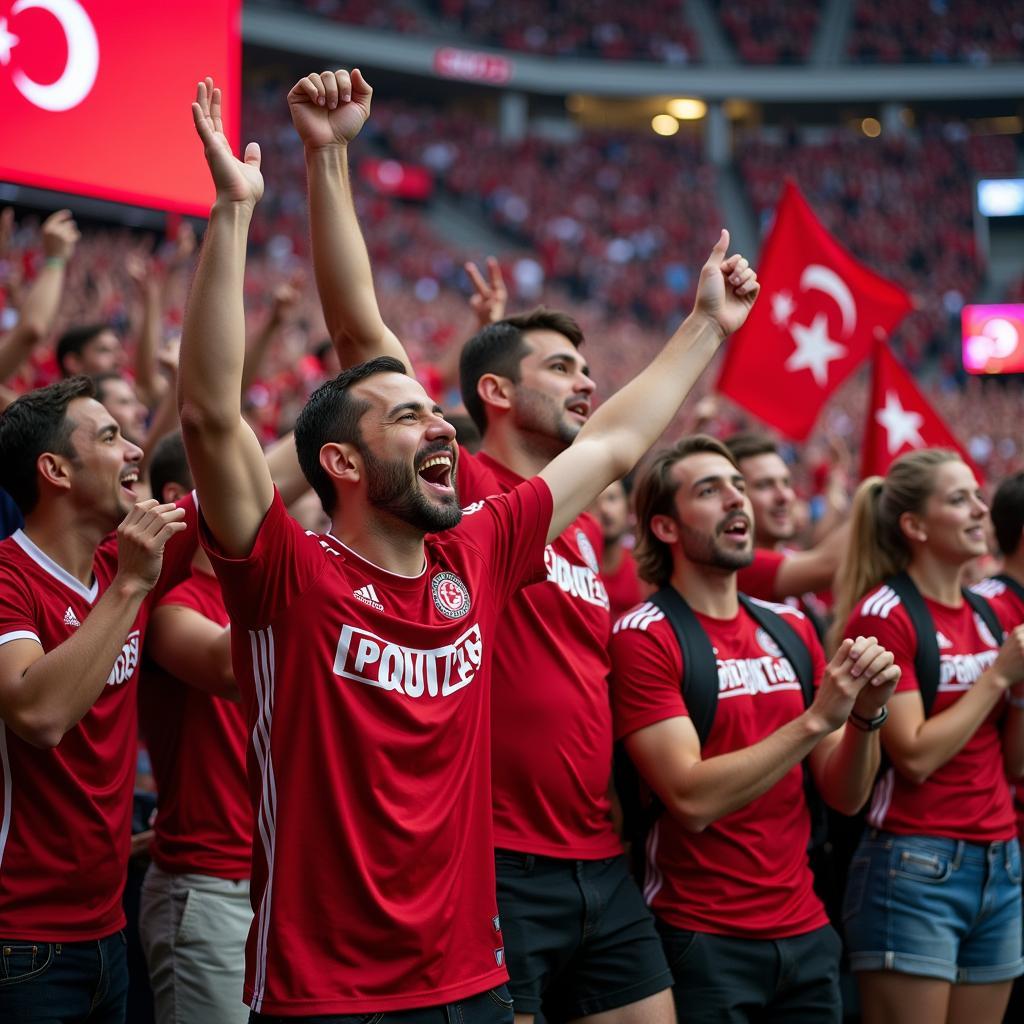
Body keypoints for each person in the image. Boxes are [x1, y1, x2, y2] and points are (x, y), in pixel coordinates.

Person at [180, 74, 758, 1022]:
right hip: (326, 991)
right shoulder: (289, 573)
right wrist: (237, 214)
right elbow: (210, 412)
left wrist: (704, 329)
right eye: (410, 417)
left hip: (474, 977)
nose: (440, 428)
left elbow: (614, 446)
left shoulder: (479, 553)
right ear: (341, 461)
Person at [609, 434, 899, 1023]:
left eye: (738, 486)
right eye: (710, 491)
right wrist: (818, 718)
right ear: (665, 528)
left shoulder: (792, 626)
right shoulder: (644, 635)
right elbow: (690, 798)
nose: (736, 501)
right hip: (701, 937)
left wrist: (866, 716)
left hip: (808, 930)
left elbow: (845, 795)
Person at [0, 376, 195, 1024]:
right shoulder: (9, 578)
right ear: (54, 469)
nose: (135, 449)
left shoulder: (123, 559)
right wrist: (131, 587)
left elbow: (247, 473)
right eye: (111, 435)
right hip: (21, 942)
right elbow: (39, 714)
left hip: (108, 928)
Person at [832, 449, 1024, 1024]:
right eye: (958, 498)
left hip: (1002, 861)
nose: (978, 509)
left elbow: (1014, 763)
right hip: (914, 867)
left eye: (977, 495)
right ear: (915, 526)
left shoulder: (987, 614)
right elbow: (913, 754)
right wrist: (997, 678)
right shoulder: (884, 614)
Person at [724, 432, 848, 608]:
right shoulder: (735, 566)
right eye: (764, 485)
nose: (784, 496)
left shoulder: (791, 554)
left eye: (786, 483)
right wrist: (875, 492)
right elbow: (830, 565)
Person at [595, 477, 648, 620]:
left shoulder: (644, 571)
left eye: (612, 498)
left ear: (628, 506)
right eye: (594, 502)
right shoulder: (568, 568)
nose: (605, 509)